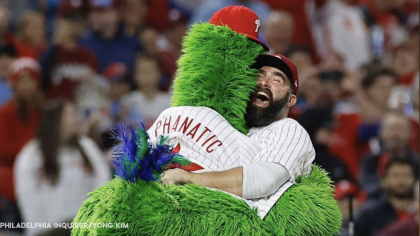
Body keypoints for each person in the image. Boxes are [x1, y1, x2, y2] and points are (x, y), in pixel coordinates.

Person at [160, 53, 315, 218]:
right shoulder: (234, 128)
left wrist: (189, 178)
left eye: (276, 80)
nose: (264, 82)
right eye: (258, 76)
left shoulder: (289, 129)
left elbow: (263, 181)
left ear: (291, 100)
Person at [14, 100, 111, 236]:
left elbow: (103, 184)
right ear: (56, 120)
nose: (77, 119)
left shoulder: (87, 147)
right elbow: (28, 198)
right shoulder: (31, 154)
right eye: (72, 115)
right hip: (47, 230)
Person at [0, 57, 43, 232]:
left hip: (40, 185)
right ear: (14, 84)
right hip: (11, 187)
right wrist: (32, 149)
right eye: (21, 81)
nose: (26, 86)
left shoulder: (43, 111)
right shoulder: (5, 113)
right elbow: (3, 151)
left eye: (30, 81)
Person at [40, 0, 100, 102]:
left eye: (82, 17)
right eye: (72, 17)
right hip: (54, 112)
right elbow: (41, 81)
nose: (78, 22)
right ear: (60, 21)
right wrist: (56, 44)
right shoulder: (48, 52)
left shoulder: (89, 56)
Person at [359, 113, 419, 197]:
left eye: (401, 129)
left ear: (410, 133)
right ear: (382, 132)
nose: (396, 134)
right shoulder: (371, 161)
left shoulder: (417, 162)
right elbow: (366, 185)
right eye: (392, 129)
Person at [355, 158, 417, 236]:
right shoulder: (369, 215)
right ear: (384, 180)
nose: (401, 180)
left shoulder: (417, 213)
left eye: (406, 175)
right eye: (395, 176)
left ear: (415, 179)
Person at [121, 54, 171, 129]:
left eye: (151, 71)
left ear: (159, 74)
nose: (147, 76)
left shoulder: (168, 101)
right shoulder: (128, 101)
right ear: (135, 75)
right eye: (143, 72)